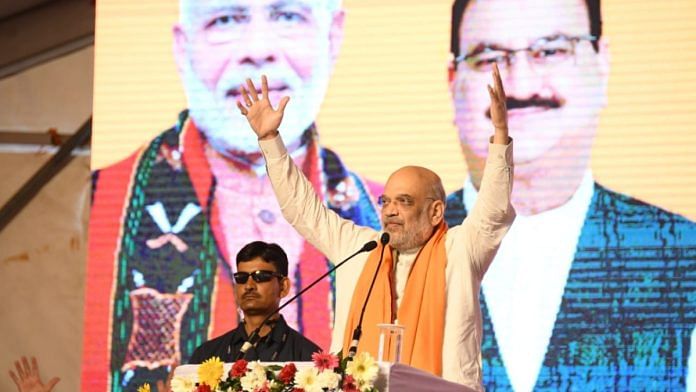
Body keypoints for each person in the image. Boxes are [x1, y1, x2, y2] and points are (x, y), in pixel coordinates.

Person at [83, 0, 381, 390]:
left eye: (288, 15)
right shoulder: (105, 199)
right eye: (225, 19)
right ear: (181, 46)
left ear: (334, 34)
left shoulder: (380, 222)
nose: (257, 49)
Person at [445, 0, 696, 390]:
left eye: (551, 51)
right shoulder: (382, 258)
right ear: (452, 82)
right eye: (489, 57)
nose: (520, 86)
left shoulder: (681, 256)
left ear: (602, 65)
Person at [236, 67, 514, 391]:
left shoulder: (461, 249)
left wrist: (500, 135)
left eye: (405, 202)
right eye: (386, 201)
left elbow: (493, 210)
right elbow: (302, 208)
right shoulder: (358, 248)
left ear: (436, 211)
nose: (391, 210)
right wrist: (270, 140)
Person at [189, 241, 320, 363]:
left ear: (283, 286)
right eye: (242, 278)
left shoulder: (309, 358)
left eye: (260, 277)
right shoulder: (206, 356)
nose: (249, 286)